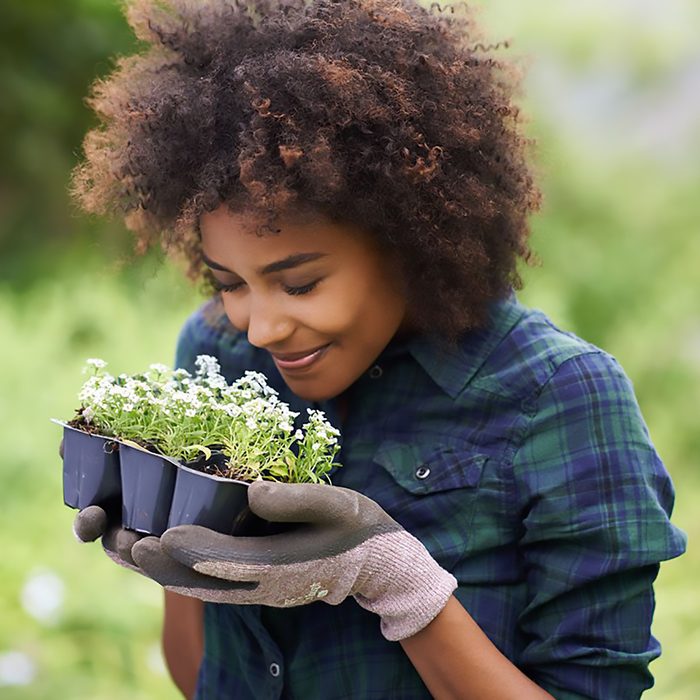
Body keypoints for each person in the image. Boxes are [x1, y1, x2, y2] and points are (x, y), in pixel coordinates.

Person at [69, 0, 687, 698]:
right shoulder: (220, 355)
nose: (262, 328)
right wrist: (172, 546)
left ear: (407, 241)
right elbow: (202, 677)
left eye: (299, 283)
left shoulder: (561, 399)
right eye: (229, 282)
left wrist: (398, 582)